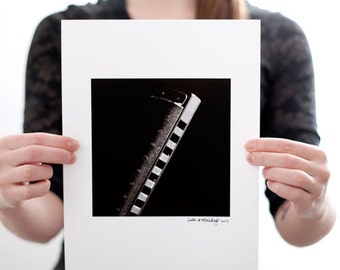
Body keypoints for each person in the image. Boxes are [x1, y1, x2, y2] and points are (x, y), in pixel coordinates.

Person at [0, 0, 336, 269]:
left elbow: (295, 224)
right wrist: (7, 198)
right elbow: (47, 218)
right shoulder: (63, 31)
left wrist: (314, 205)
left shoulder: (277, 36)